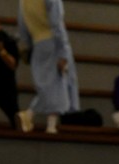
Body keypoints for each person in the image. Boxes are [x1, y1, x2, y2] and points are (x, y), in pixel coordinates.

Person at [15, 0, 80, 135]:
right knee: (57, 83)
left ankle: (37, 119)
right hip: (53, 41)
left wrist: (28, 45)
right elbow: (57, 23)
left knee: (47, 85)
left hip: (38, 43)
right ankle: (44, 122)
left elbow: (22, 25)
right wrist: (63, 49)